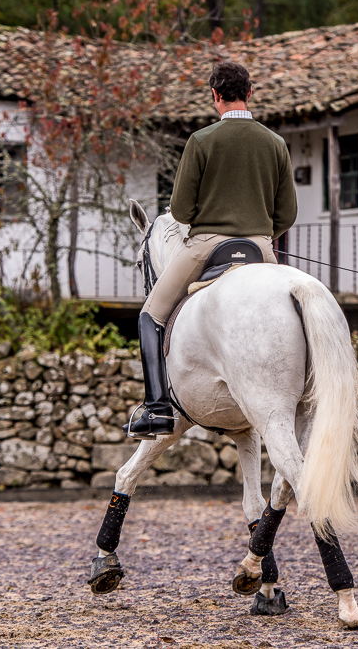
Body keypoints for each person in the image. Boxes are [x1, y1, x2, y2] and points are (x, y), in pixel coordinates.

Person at [127, 61, 298, 439]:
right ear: (249, 93)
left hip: (206, 247)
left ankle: (157, 410)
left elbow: (181, 211)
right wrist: (259, 234)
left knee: (150, 314)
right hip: (260, 248)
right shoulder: (275, 143)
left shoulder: (201, 141)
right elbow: (287, 214)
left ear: (215, 96)